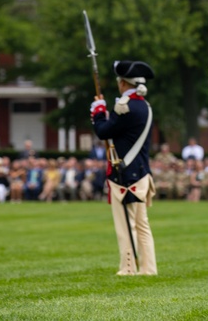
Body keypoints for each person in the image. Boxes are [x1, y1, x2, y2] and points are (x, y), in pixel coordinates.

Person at [91, 59, 158, 275]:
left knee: (126, 226)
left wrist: (98, 112)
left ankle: (129, 267)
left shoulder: (125, 106)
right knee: (141, 225)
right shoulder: (143, 106)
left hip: (126, 174)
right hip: (140, 172)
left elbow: (104, 131)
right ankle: (148, 268)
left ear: (122, 83)